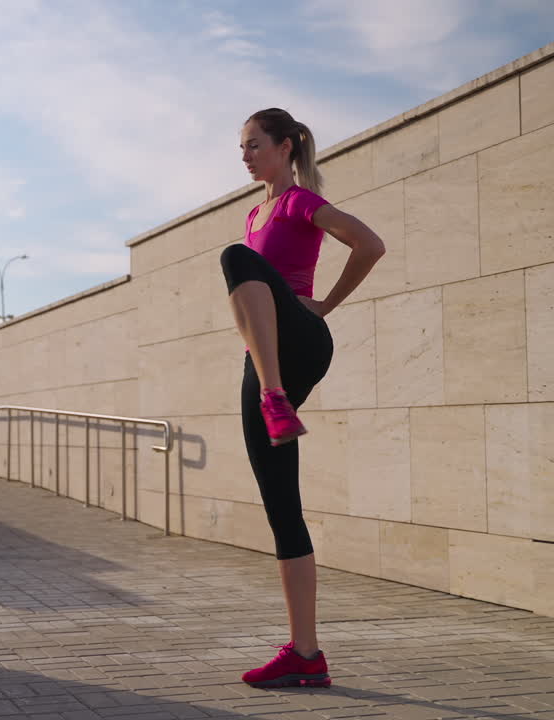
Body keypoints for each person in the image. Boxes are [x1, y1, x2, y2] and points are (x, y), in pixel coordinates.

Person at [221, 108, 385, 688]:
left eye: (253, 145)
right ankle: (306, 655)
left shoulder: (298, 204)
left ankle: (274, 396)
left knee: (236, 259)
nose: (244, 155)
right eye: (241, 148)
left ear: (285, 147)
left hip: (302, 343)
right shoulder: (253, 213)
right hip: (261, 361)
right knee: (281, 509)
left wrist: (324, 304)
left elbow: (369, 244)